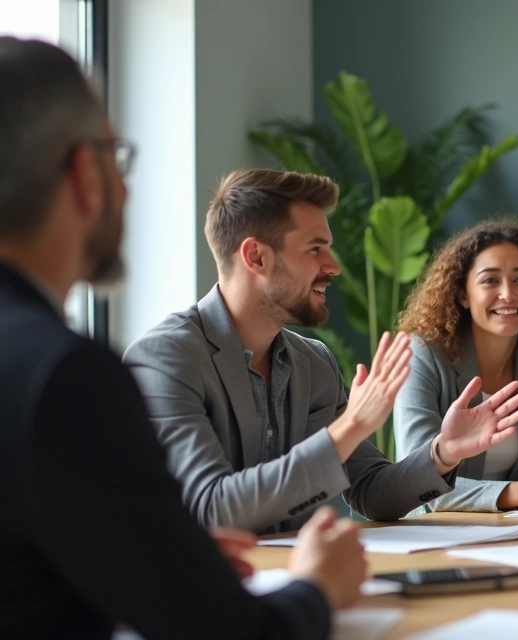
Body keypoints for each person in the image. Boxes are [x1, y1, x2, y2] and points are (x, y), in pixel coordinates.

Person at [0, 36, 365, 639]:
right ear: (85, 175)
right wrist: (318, 587)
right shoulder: (67, 377)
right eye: (116, 157)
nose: (127, 189)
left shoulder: (310, 360)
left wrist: (148, 562)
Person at [124, 169, 518, 533]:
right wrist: (350, 425)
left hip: (297, 580)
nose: (333, 265)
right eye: (315, 249)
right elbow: (211, 509)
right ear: (256, 256)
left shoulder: (312, 362)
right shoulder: (165, 360)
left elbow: (371, 491)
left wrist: (443, 453)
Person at [395, 220, 518, 512]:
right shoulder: (423, 353)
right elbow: (419, 481)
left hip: (510, 530)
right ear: (463, 294)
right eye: (490, 280)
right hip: (429, 531)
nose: (508, 294)